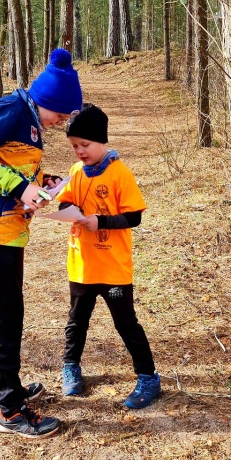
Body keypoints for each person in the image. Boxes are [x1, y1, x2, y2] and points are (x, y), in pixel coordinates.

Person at [0, 48, 82, 438]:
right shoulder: (9, 110)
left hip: (6, 230)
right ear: (45, 100)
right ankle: (11, 411)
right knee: (5, 317)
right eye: (61, 113)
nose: (64, 121)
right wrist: (20, 187)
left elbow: (13, 163)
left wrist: (42, 183)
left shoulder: (28, 119)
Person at [54, 103, 161, 409]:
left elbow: (133, 218)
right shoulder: (75, 172)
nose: (79, 152)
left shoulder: (119, 173)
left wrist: (99, 222)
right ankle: (71, 367)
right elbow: (65, 204)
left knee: (126, 323)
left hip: (112, 272)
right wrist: (68, 211)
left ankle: (148, 377)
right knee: (77, 322)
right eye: (74, 146)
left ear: (102, 140)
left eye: (85, 145)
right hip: (82, 269)